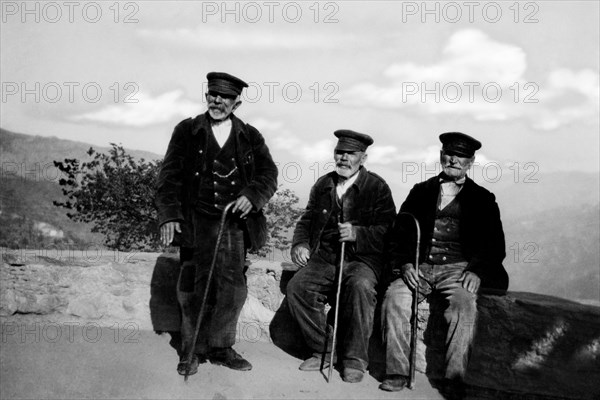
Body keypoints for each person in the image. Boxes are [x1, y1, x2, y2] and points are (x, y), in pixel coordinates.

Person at [155, 72, 278, 376]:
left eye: (225, 97)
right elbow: (168, 176)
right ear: (206, 96)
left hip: (235, 225)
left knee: (232, 288)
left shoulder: (250, 136)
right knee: (194, 287)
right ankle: (192, 350)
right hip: (196, 221)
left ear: (237, 102)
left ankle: (222, 347)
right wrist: (170, 214)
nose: (217, 101)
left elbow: (269, 174)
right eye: (213, 94)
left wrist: (252, 195)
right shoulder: (188, 130)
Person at [379, 132, 508, 392]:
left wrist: (477, 271)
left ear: (470, 162)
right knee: (394, 299)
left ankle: (454, 379)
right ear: (441, 156)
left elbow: (495, 244)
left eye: (460, 156)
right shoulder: (421, 192)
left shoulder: (482, 198)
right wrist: (405, 264)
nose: (453, 159)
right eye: (449, 153)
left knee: (464, 306)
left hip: (458, 270)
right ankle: (396, 371)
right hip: (420, 267)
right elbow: (399, 233)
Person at [287, 130, 396, 383]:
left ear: (363, 158)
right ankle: (324, 350)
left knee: (361, 287)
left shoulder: (377, 187)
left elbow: (390, 230)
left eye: (351, 154)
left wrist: (359, 233)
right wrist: (300, 244)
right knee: (297, 288)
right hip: (325, 258)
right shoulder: (324, 184)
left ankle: (354, 360)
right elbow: (308, 218)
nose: (344, 158)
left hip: (362, 260)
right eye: (340, 152)